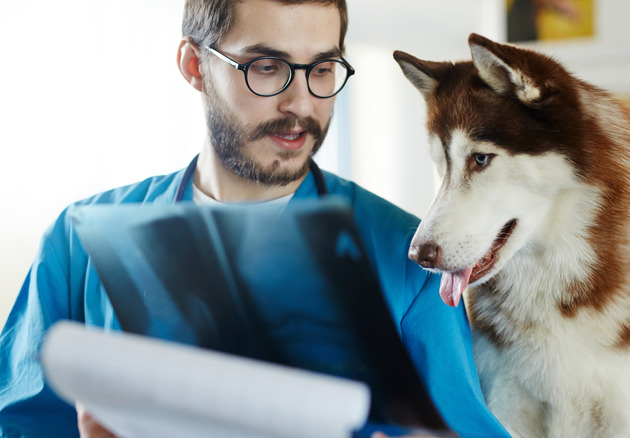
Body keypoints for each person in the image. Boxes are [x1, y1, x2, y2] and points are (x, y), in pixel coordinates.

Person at [0, 1, 510, 437]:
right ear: (195, 66)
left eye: (323, 69)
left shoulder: (410, 258)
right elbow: (19, 423)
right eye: (267, 66)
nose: (301, 103)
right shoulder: (78, 244)